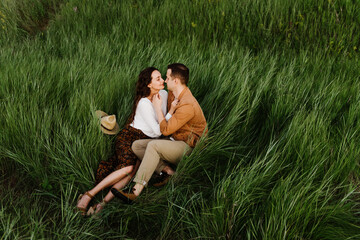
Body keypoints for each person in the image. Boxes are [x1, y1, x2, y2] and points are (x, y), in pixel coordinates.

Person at [76, 67, 176, 216]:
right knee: (128, 169)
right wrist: (169, 113)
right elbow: (157, 131)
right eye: (158, 79)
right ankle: (89, 194)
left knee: (132, 175)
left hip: (146, 141)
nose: (162, 81)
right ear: (149, 84)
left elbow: (160, 128)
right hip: (131, 136)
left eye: (161, 77)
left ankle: (102, 204)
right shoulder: (144, 103)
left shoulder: (163, 93)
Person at [111, 63, 207, 204]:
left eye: (167, 78)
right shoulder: (172, 93)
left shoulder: (187, 104)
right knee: (137, 145)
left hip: (189, 145)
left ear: (175, 81)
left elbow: (165, 130)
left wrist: (157, 109)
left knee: (154, 146)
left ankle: (135, 191)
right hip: (175, 138)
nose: (165, 80)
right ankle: (168, 172)